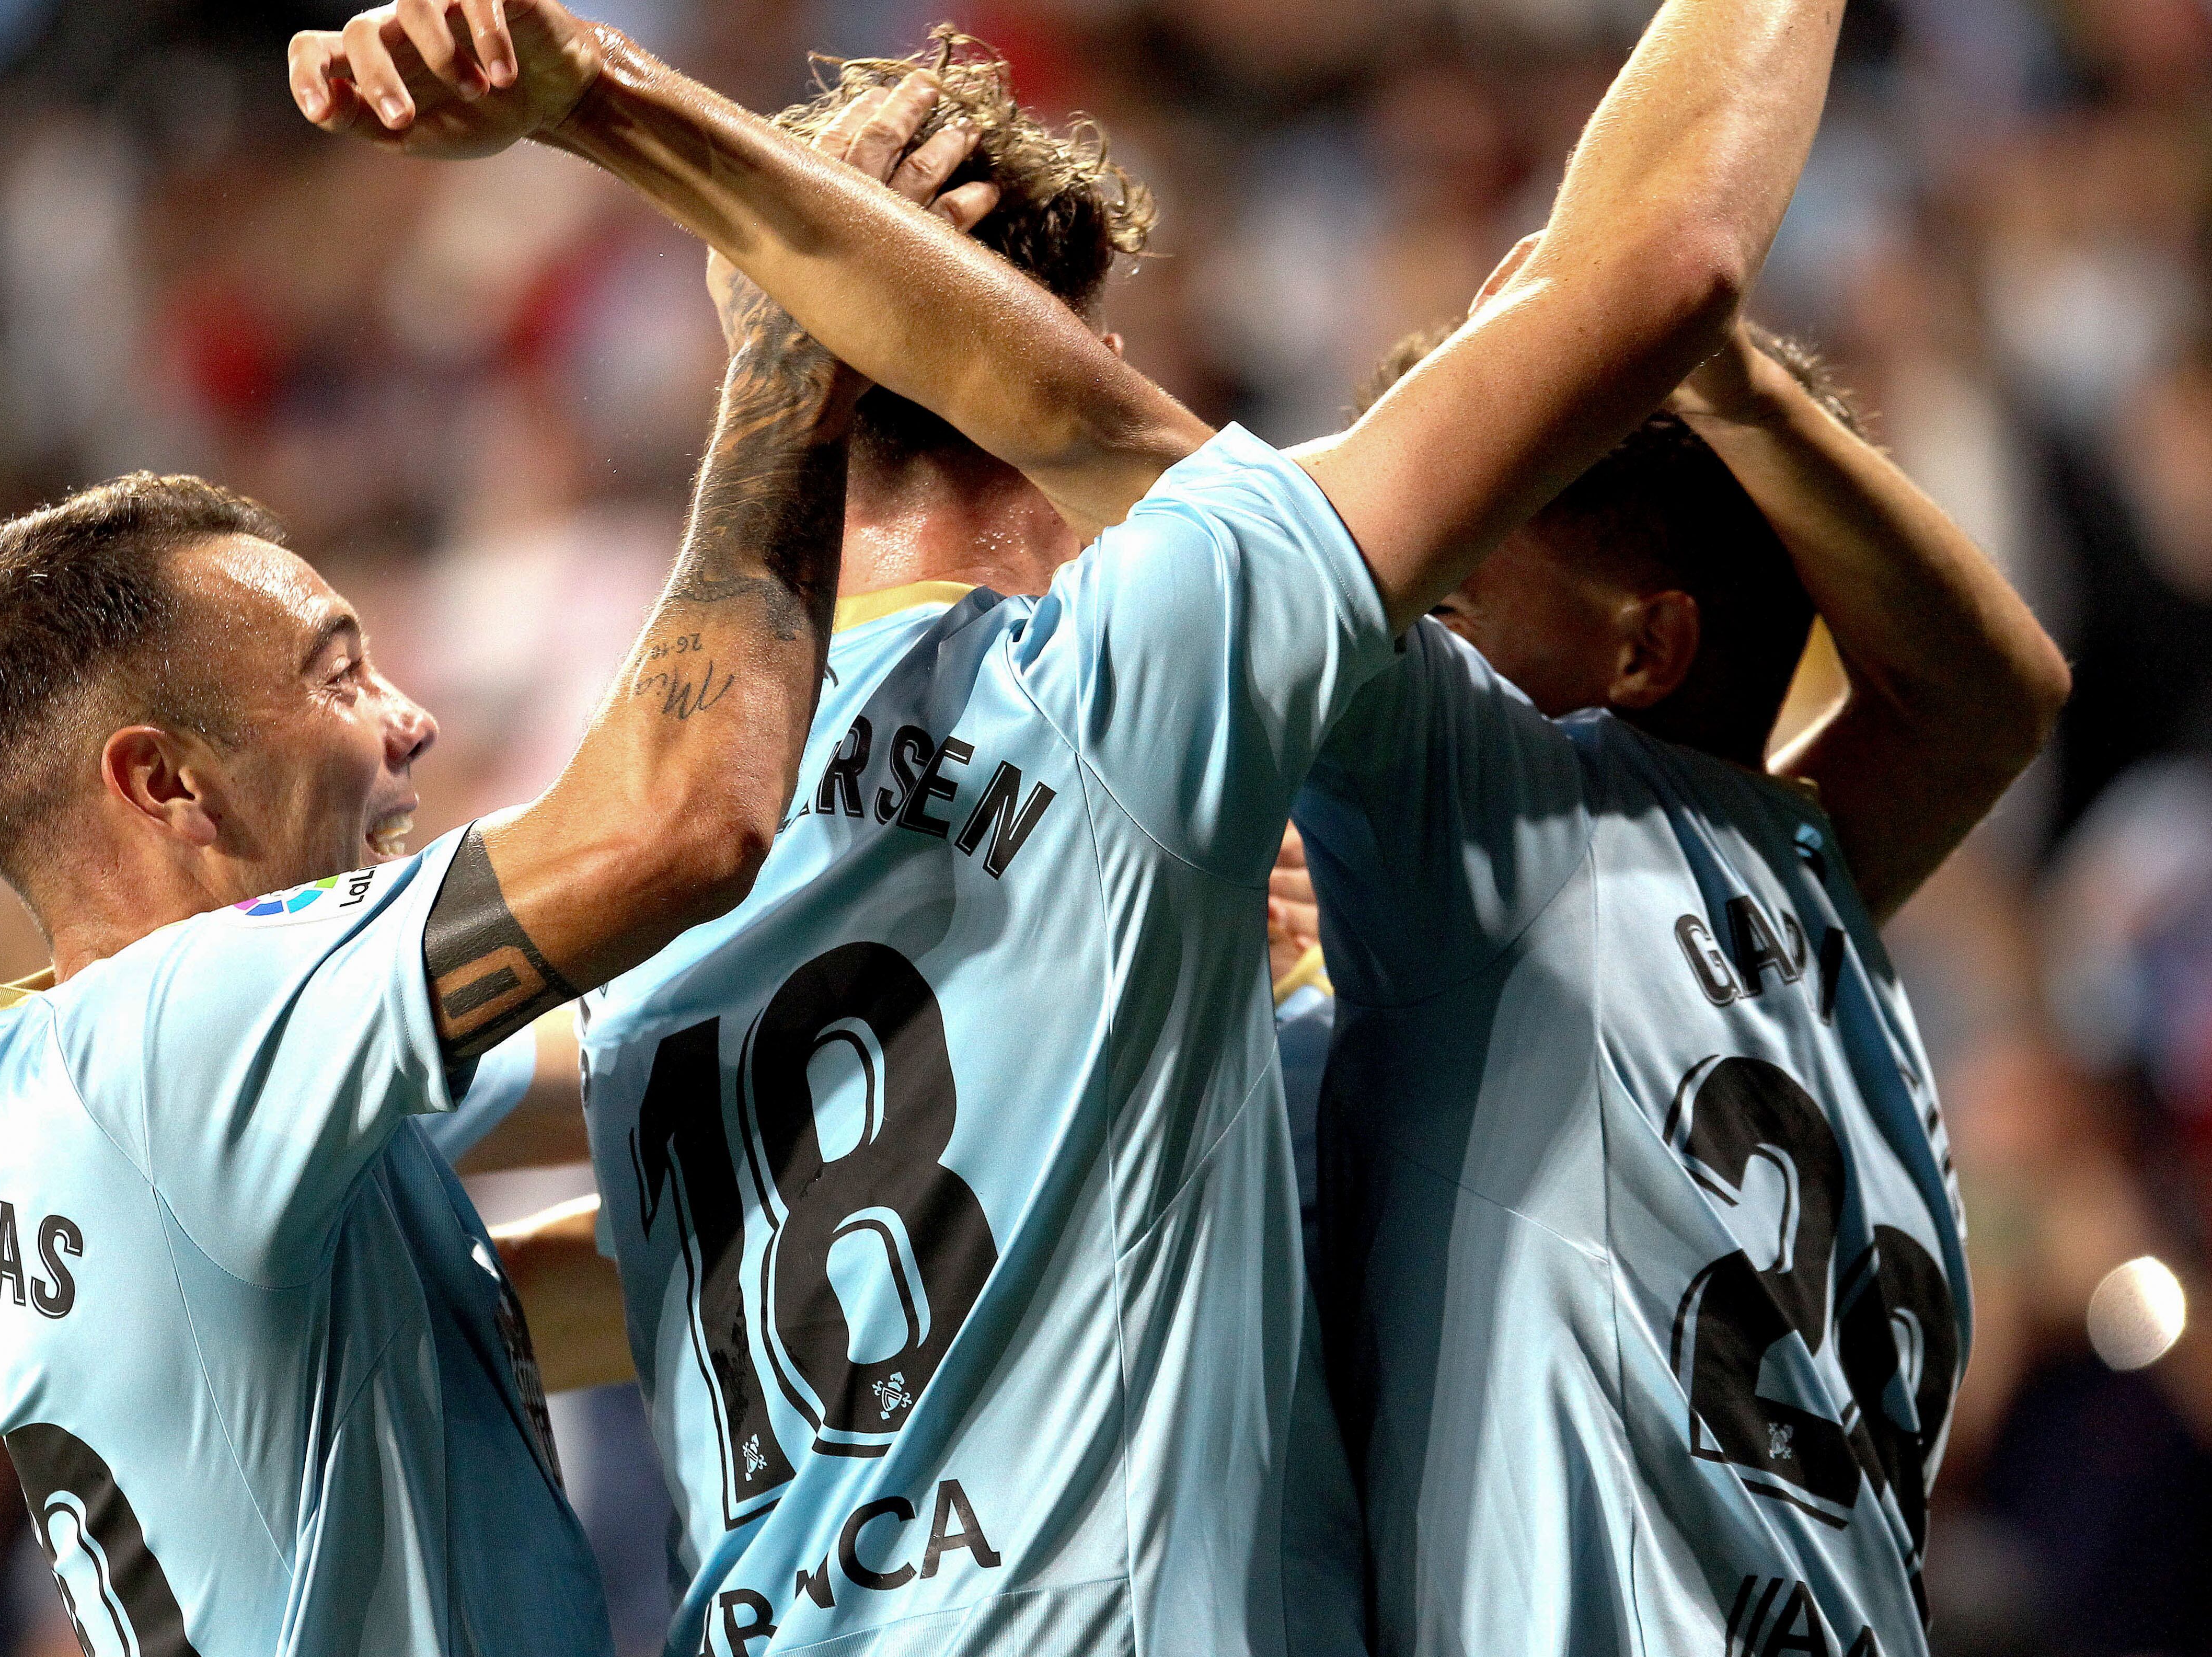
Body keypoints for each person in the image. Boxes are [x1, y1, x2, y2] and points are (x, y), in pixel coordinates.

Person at [292, 0, 1849, 1649]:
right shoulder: (1132, 684)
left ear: (758, 361)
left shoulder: (624, 846)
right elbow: (1661, 260)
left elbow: (823, 1235)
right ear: (1069, 358)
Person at [0, 223, 885, 1651]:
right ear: (164, 782)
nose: (411, 717)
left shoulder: (80, 1082)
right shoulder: (180, 1034)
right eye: (338, 673)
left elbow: (646, 1085)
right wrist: (788, 385)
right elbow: (676, 825)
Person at [1284, 298, 2067, 1656]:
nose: (1403, 629)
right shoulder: (1793, 855)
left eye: (1447, 601)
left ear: (1641, 652)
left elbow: (1209, 538)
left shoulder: (1513, 855)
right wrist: (1743, 389)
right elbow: (1993, 689)